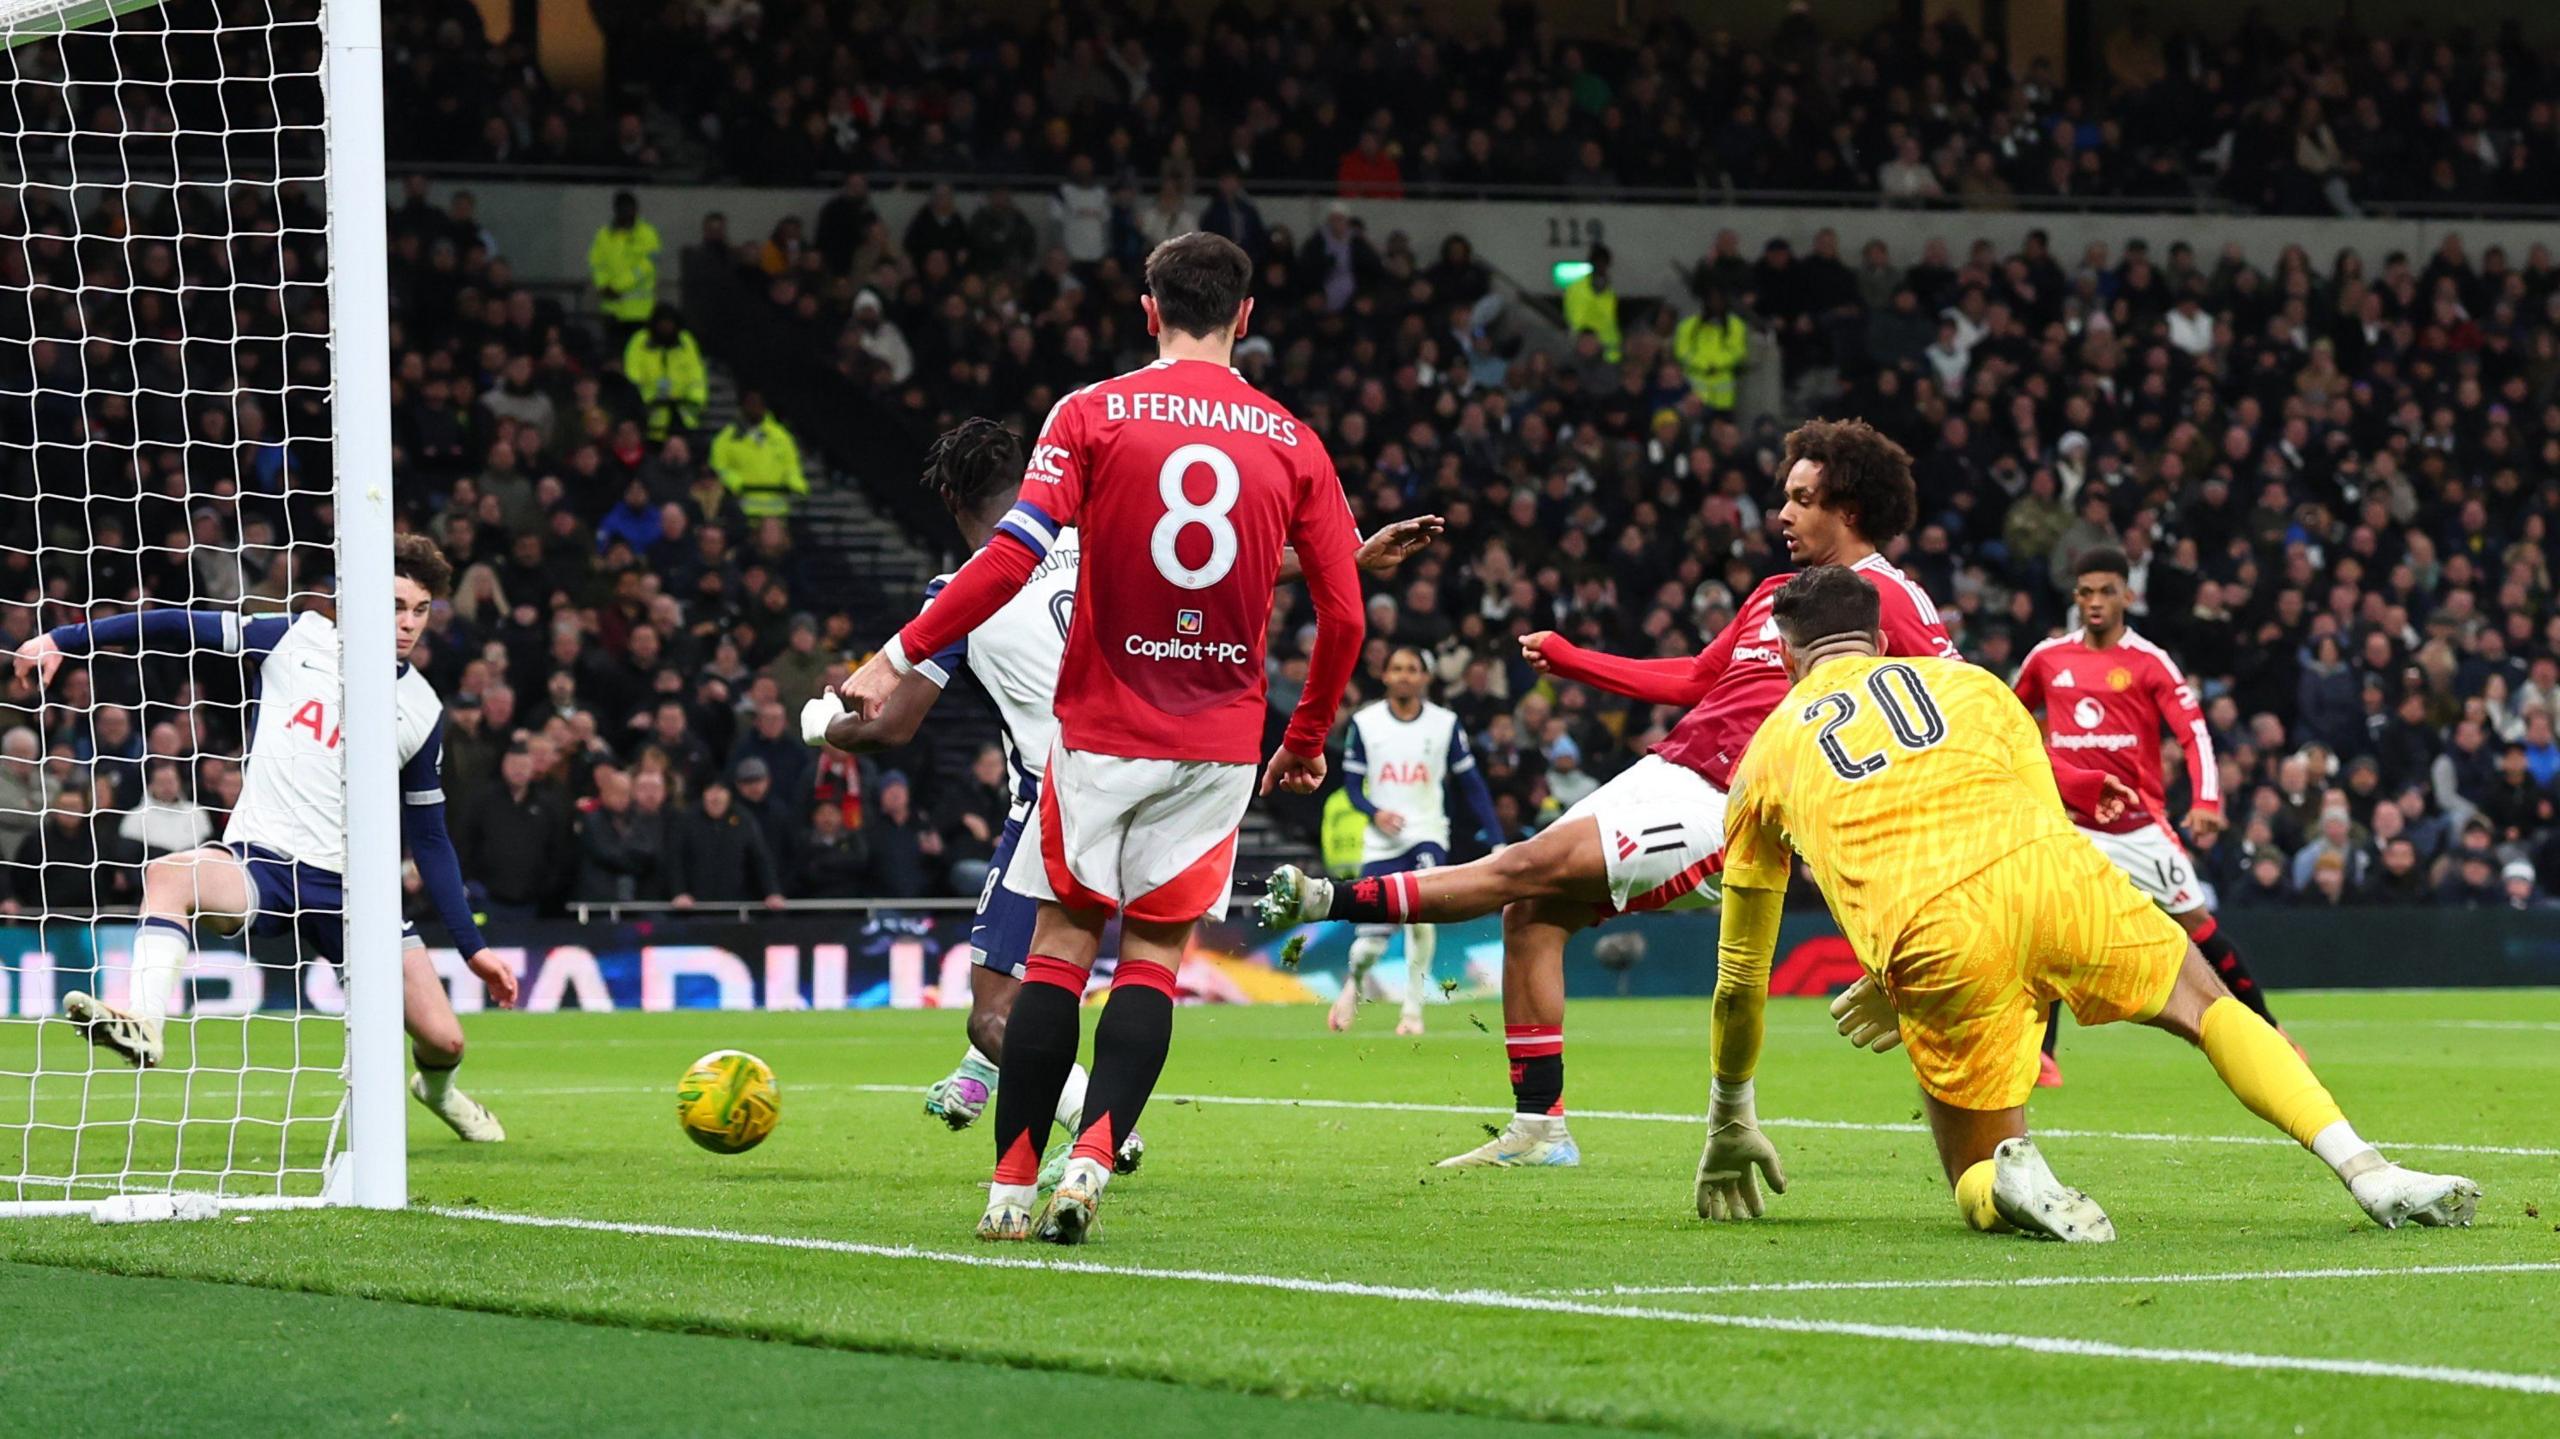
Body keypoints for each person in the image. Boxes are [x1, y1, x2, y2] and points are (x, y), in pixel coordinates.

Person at [837, 232, 1368, 1244]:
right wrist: (1303, 736)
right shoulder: (1294, 440)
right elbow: (1342, 615)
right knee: (1154, 962)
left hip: (1102, 727)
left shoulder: (1091, 412)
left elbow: (1005, 559)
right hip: (1215, 741)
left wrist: (896, 651)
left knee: (1058, 954)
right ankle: (1092, 1162)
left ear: (1146, 309)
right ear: (1244, 318)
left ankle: (1010, 1184)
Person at [1260, 418, 1959, 1170]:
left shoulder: (1890, 597)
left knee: (1525, 864)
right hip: (1670, 769)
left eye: (1800, 499)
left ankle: (1327, 900)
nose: (1780, 515)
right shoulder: (1777, 593)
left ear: (1848, 509)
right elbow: (1697, 678)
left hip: (1730, 800)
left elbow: (1952, 703)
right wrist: (1574, 660)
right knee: (1531, 912)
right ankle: (1539, 1130)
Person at [1700, 565, 2477, 1238]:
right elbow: (2045, 818)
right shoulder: (1975, 684)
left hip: (1933, 935)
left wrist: (1731, 1113)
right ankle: (2367, 1166)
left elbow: (1740, 978)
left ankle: (2009, 1180)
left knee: (1972, 1160)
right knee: (2208, 1003)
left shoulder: (1766, 752)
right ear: (1878, 636)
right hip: (2053, 875)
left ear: (1790, 654)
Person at [805, 416, 1434, 1156]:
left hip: (1055, 803)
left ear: (950, 499)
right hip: (1153, 776)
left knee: (998, 1010)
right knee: (1136, 966)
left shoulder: (959, 593)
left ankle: (1097, 1127)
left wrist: (822, 725)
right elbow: (1227, 563)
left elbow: (889, 725)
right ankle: (992, 1076)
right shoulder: (1102, 538)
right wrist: (1346, 557)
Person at [16, 537, 516, 1141]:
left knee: (445, 1039)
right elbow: (178, 625)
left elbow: (429, 837)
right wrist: (60, 641)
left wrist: (471, 947)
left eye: (420, 609)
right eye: (394, 605)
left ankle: (436, 1092)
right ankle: (144, 1020)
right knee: (168, 876)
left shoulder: (421, 708)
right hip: (265, 864)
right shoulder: (294, 638)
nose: (407, 623)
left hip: (357, 892)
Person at [2012, 545, 2287, 1086]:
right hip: (2069, 822)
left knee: (2198, 929)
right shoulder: (2047, 659)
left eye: (2106, 592)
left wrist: (2207, 801)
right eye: (2086, 592)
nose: (2095, 602)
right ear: (2075, 597)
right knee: (2047, 928)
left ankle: (2269, 1031)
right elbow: (2008, 717)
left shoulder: (2149, 661)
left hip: (2139, 826)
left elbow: (2193, 732)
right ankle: (2041, 1054)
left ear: (2127, 597)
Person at [1331, 646, 1503, 1037]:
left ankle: (1412, 1011)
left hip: (1427, 834)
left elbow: (1471, 784)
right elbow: (1352, 786)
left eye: (1413, 669)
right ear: (1386, 676)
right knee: (1368, 947)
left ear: (1425, 678)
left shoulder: (1444, 724)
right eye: (1397, 668)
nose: (1405, 675)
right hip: (1381, 842)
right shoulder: (1366, 723)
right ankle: (1354, 981)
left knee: (1421, 917)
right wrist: (1375, 813)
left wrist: (1497, 841)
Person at [708, 390, 808, 519]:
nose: (755, 407)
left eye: (758, 403)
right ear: (742, 406)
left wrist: (796, 483)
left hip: (776, 512)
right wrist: (735, 482)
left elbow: (791, 466)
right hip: (742, 512)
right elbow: (718, 468)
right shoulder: (726, 439)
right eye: (751, 403)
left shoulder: (781, 437)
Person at [588, 190, 661, 340]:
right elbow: (597, 263)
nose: (627, 212)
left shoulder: (648, 234)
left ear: (636, 209)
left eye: (630, 208)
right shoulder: (604, 235)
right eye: (623, 208)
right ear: (615, 210)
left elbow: (646, 267)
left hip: (640, 312)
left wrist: (617, 286)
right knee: (614, 358)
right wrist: (602, 284)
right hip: (612, 310)